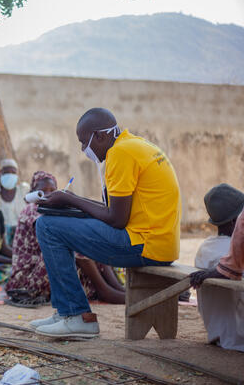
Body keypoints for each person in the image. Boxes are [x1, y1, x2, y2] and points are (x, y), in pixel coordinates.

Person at [32, 107, 181, 338]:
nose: (84, 150)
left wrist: (70, 199)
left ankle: (77, 316)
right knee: (54, 222)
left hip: (144, 244)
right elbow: (115, 211)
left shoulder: (120, 154)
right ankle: (65, 312)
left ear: (100, 136)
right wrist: (70, 202)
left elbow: (116, 219)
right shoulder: (134, 145)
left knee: (46, 226)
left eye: (84, 143)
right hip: (159, 243)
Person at [5, 171, 125, 308]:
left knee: (91, 238)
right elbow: (54, 230)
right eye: (42, 191)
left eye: (52, 191)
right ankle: (105, 290)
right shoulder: (31, 209)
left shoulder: (53, 208)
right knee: (73, 241)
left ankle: (114, 286)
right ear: (32, 192)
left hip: (42, 271)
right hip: (26, 279)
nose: (47, 194)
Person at [189, 184, 244, 352]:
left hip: (217, 333)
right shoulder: (235, 251)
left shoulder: (205, 248)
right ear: (236, 221)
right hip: (238, 337)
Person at [0, 159, 29, 244]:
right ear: (0, 175)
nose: (10, 175)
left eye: (13, 172)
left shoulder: (24, 190)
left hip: (23, 236)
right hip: (1, 238)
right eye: (6, 172)